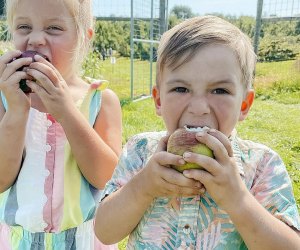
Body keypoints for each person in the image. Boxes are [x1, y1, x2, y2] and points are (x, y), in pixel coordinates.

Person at [94, 16, 300, 249]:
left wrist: (238, 200)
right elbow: (105, 232)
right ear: (159, 100)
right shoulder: (140, 153)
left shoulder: (262, 165)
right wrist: (143, 187)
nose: (199, 108)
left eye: (220, 90)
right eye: (181, 89)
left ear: (244, 104)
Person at [0, 0, 122, 249]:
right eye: (24, 26)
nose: (35, 39)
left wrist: (67, 111)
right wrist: (16, 112)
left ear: (83, 38)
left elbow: (105, 178)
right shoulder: (5, 98)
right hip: (18, 242)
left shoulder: (100, 100)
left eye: (53, 28)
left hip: (83, 240)